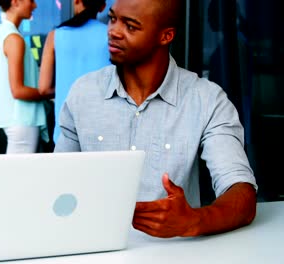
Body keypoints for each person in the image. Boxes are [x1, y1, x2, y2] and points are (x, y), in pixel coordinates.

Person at [54, 0, 257, 238]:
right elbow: (58, 182)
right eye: (112, 19)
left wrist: (194, 220)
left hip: (173, 254)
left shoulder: (207, 100)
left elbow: (241, 193)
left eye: (130, 26)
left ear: (166, 36)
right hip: (92, 246)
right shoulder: (83, 93)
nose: (113, 31)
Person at [39, 0, 110, 144]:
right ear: (102, 7)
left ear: (76, 1)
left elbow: (43, 89)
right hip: (103, 128)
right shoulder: (111, 36)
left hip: (64, 131)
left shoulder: (54, 36)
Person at [0, 0, 51, 154]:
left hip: (19, 121)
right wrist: (50, 92)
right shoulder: (14, 39)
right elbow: (18, 91)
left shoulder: (6, 33)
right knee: (18, 176)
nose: (35, 5)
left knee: (17, 174)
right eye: (31, 0)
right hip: (22, 121)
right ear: (15, 2)